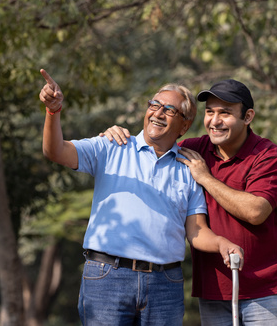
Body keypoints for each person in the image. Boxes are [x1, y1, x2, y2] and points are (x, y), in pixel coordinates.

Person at [39, 69, 244, 326]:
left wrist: (222, 243)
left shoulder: (190, 168)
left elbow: (196, 231)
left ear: (184, 125)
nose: (157, 113)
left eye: (169, 110)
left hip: (165, 285)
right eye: (154, 105)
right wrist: (53, 111)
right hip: (107, 279)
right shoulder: (111, 145)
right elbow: (55, 150)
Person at [103, 79, 277, 325]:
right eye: (210, 112)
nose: (214, 121)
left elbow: (256, 211)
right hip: (213, 290)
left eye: (225, 113)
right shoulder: (191, 149)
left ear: (248, 116)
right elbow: (151, 148)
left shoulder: (267, 154)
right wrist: (116, 135)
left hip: (265, 291)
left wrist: (205, 178)